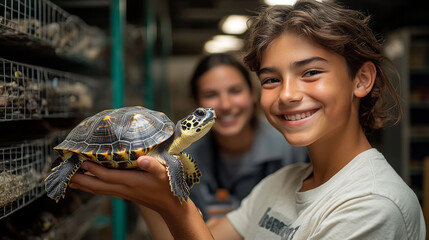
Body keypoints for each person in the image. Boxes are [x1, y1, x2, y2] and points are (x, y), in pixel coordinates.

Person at [69, 0, 426, 239]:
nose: (286, 94)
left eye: (311, 72)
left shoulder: (374, 207)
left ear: (361, 79)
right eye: (271, 79)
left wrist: (171, 203)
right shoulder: (282, 184)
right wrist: (147, 191)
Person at [185, 53, 308, 223]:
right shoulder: (186, 161)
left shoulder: (293, 145)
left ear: (252, 94)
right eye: (211, 95)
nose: (226, 105)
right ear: (196, 103)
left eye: (235, 91)